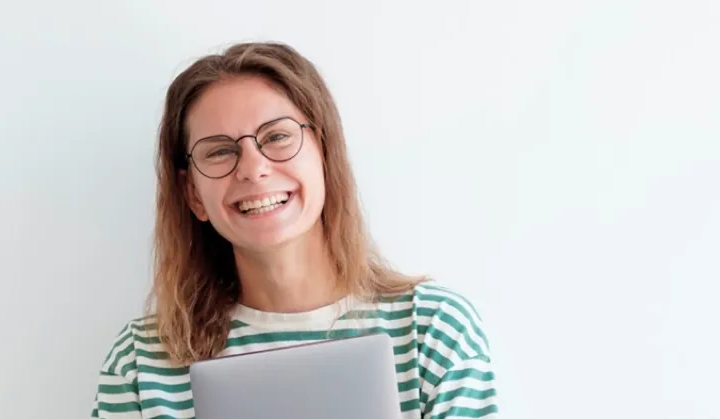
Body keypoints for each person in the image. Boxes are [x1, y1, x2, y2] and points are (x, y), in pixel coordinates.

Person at [89, 42, 497, 419]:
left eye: (277, 137)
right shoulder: (141, 363)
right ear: (193, 193)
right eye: (220, 151)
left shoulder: (432, 330)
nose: (253, 169)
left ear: (325, 153)